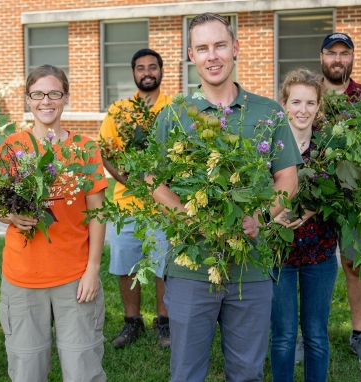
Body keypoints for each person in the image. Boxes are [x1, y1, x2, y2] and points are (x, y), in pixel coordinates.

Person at [149, 13, 302, 381]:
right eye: (202, 48)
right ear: (191, 55)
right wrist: (189, 215)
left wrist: (260, 218)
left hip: (250, 270)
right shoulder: (173, 115)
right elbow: (154, 181)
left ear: (235, 48)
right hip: (190, 267)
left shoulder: (268, 112)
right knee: (186, 373)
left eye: (219, 45)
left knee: (248, 372)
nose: (212, 55)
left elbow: (288, 177)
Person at [0, 64, 108, 381]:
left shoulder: (84, 148)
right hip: (22, 279)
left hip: (74, 278)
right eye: (38, 94)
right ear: (28, 99)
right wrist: (10, 215)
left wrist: (92, 270)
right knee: (27, 370)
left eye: (54, 93)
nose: (46, 101)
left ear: (66, 98)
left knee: (82, 370)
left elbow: (97, 212)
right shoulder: (10, 148)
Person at [99, 48, 172, 349]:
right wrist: (131, 182)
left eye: (152, 67)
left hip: (166, 204)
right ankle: (132, 323)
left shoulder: (174, 109)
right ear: (133, 73)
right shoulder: (119, 111)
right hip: (125, 205)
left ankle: (164, 322)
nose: (147, 72)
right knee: (126, 264)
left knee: (163, 265)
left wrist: (158, 186)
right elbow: (106, 152)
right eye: (140, 67)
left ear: (161, 71)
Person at [270, 68, 338, 382]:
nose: (303, 110)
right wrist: (273, 213)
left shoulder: (331, 149)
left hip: (319, 253)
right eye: (296, 102)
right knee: (283, 336)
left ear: (318, 107)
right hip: (280, 255)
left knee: (315, 335)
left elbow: (342, 194)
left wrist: (312, 209)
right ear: (284, 104)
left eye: (310, 103)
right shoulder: (269, 148)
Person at [319, 32, 361, 366]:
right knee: (308, 264)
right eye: (332, 53)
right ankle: (305, 334)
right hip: (311, 194)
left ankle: (359, 334)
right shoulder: (309, 94)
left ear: (352, 57)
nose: (338, 59)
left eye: (345, 53)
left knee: (355, 264)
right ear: (322, 57)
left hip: (356, 196)